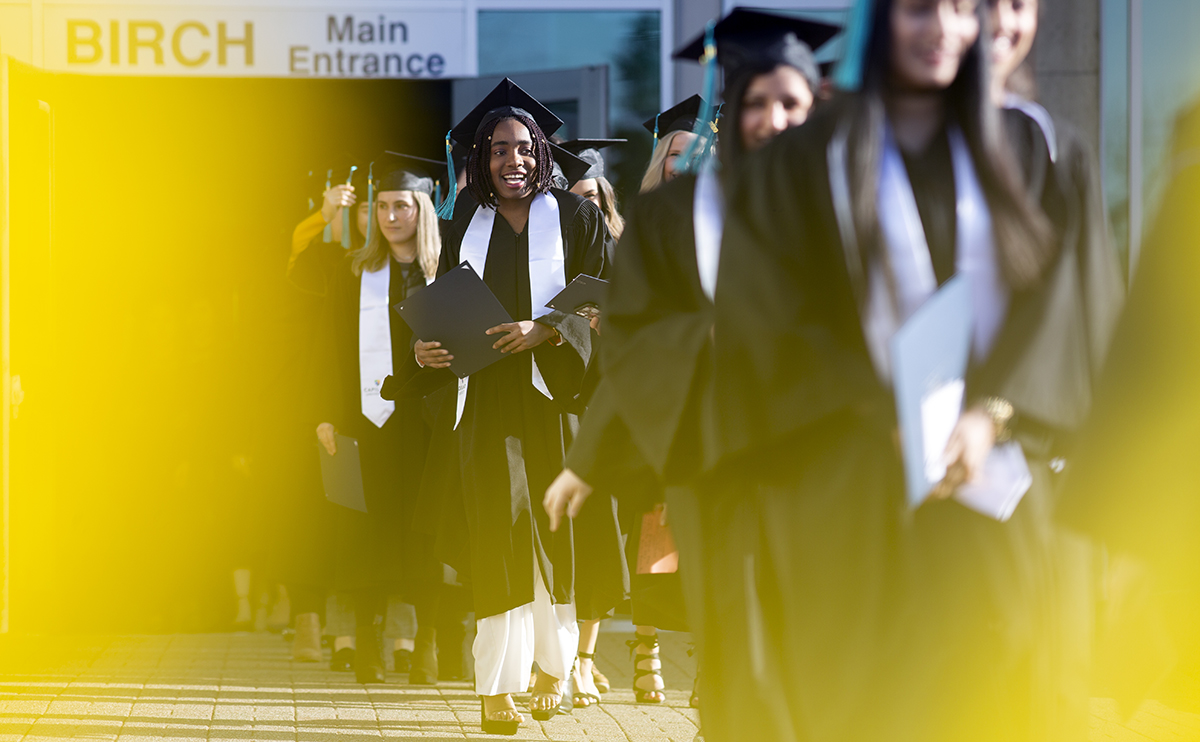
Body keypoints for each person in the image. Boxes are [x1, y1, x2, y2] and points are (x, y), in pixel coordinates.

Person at [705, 0, 1122, 739]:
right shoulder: (811, 159)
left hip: (994, 484)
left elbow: (1072, 299)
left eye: (964, 11)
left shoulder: (1038, 149)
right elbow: (765, 315)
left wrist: (988, 412)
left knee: (1002, 696)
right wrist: (879, 411)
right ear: (880, 20)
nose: (945, 30)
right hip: (853, 483)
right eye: (921, 9)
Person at [545, 6, 839, 719]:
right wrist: (590, 456)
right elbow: (639, 341)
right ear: (728, 112)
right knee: (734, 627)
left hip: (821, 456)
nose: (772, 118)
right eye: (755, 102)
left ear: (813, 108)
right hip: (719, 458)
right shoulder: (677, 216)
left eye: (789, 102)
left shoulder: (844, 201)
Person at [409, 78, 612, 734]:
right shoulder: (463, 218)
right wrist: (426, 351)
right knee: (497, 530)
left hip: (555, 393)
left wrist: (546, 330)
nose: (512, 160)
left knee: (555, 528)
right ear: (481, 158)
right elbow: (441, 304)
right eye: (498, 149)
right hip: (485, 393)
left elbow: (602, 303)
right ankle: (497, 685)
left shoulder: (577, 218)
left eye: (523, 148)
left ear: (542, 152)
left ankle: (554, 667)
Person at [289, 152, 447, 685]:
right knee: (362, 535)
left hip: (428, 427)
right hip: (366, 422)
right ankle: (367, 647)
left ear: (421, 208)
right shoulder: (353, 271)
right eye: (382, 206)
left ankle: (426, 644)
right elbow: (326, 349)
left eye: (401, 205)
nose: (390, 216)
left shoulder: (443, 272)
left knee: (423, 535)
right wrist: (324, 416)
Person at [561, 139, 627, 242]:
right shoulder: (558, 248)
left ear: (603, 195)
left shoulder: (627, 241)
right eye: (573, 198)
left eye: (589, 195)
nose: (582, 205)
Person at [639, 96, 706, 193]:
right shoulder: (643, 207)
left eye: (695, 157)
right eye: (675, 154)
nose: (683, 166)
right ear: (661, 159)